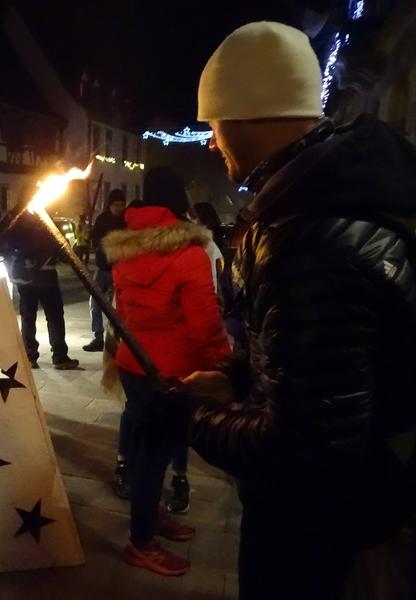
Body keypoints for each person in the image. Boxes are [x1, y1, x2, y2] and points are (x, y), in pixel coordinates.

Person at [183, 22, 416, 599]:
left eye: (214, 124)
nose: (212, 142)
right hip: (355, 508)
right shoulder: (325, 198)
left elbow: (305, 452)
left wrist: (186, 420)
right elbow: (320, 356)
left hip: (320, 531)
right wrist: (238, 376)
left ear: (247, 114)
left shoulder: (312, 238)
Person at [102, 166, 230, 576]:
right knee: (154, 456)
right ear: (179, 204)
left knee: (144, 450)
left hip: (134, 364)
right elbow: (205, 323)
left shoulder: (126, 250)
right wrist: (225, 366)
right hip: (171, 374)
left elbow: (122, 310)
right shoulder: (189, 253)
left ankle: (151, 515)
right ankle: (141, 542)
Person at [5, 212, 79, 370]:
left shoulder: (17, 223)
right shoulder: (43, 223)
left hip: (28, 279)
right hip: (44, 278)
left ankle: (30, 355)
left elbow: (7, 245)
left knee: (30, 317)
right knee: (53, 317)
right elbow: (60, 249)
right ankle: (58, 356)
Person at [82, 189, 126, 352]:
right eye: (116, 205)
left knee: (118, 306)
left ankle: (118, 338)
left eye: (122, 205)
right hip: (103, 268)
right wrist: (89, 235)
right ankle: (98, 337)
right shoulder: (102, 220)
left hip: (120, 268)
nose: (119, 208)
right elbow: (95, 239)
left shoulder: (125, 220)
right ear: (110, 205)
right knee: (95, 303)